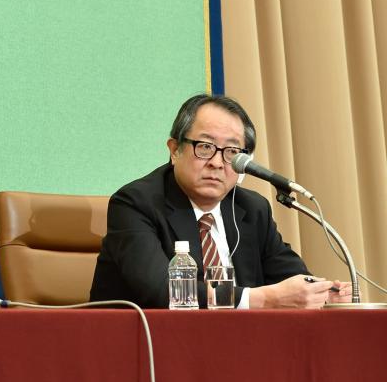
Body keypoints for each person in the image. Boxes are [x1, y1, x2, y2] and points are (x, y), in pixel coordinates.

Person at [89, 94, 352, 308]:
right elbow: (163, 291)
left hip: (237, 348)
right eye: (204, 146)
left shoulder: (251, 209)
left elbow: (290, 276)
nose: (216, 162)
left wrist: (323, 294)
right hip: (149, 353)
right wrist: (265, 299)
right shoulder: (135, 204)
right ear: (174, 150)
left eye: (231, 152)